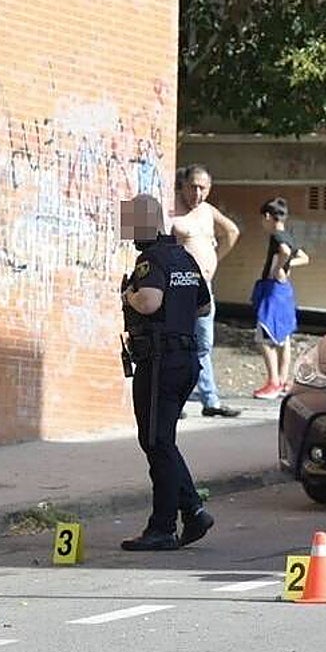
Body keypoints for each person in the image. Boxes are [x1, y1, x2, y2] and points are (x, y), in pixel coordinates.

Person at [119, 193, 215, 550]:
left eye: (133, 226)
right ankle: (192, 511)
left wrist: (128, 295)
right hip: (184, 360)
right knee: (160, 441)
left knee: (157, 442)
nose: (131, 235)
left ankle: (163, 527)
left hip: (160, 361)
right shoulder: (184, 257)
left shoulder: (151, 259)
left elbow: (149, 301)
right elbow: (204, 307)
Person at [171, 164, 242, 418]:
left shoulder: (207, 211)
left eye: (203, 188)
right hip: (178, 288)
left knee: (203, 345)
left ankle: (210, 401)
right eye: (193, 187)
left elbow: (232, 231)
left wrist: (214, 259)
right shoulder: (171, 208)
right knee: (177, 345)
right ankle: (175, 402)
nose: (197, 193)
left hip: (203, 289)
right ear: (183, 185)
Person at [251, 197, 309, 399]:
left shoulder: (277, 236)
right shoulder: (289, 235)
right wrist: (288, 265)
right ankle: (283, 381)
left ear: (268, 216)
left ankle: (273, 383)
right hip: (285, 291)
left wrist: (278, 268)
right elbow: (304, 258)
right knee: (283, 338)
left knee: (264, 338)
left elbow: (284, 251)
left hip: (273, 291)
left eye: (263, 218)